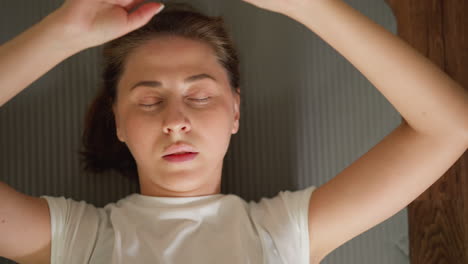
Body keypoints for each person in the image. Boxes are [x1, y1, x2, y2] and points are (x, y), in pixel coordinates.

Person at [0, 0, 467, 263]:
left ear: (235, 112)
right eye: (148, 99)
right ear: (119, 122)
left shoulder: (280, 235)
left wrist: (310, 6)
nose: (176, 118)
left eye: (200, 95)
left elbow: (449, 127)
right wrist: (61, 33)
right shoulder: (80, 242)